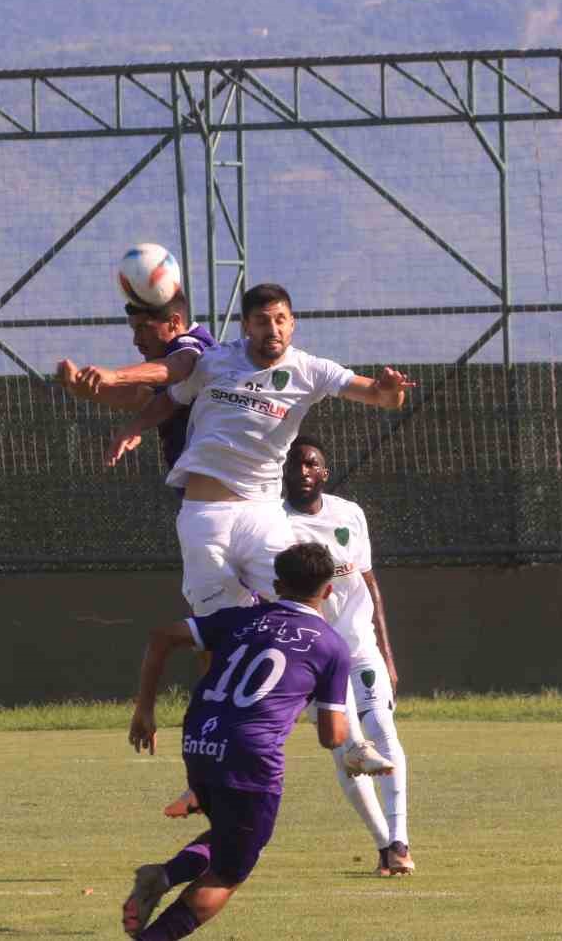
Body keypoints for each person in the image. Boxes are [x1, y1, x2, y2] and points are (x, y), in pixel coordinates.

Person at [63, 283, 413, 812]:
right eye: (260, 321)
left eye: (280, 320)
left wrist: (391, 389)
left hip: (260, 516)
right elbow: (168, 397)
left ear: (292, 324)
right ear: (244, 326)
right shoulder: (214, 361)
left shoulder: (311, 370)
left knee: (311, 613)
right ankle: (201, 780)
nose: (271, 330)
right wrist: (132, 428)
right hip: (203, 522)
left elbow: (381, 397)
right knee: (219, 654)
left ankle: (348, 739)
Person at [122, 542, 353, 940]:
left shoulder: (239, 618)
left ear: (276, 584)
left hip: (199, 741)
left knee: (230, 833)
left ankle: (163, 876)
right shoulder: (331, 644)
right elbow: (332, 737)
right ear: (328, 591)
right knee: (228, 873)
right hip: (251, 755)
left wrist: (145, 709)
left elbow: (162, 636)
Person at [284, 435, 414, 876]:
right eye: (293, 464)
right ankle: (383, 847)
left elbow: (369, 584)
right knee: (344, 750)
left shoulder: (349, 514)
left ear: (324, 472)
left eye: (311, 464)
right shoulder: (272, 523)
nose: (302, 471)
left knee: (382, 730)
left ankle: (401, 839)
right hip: (314, 658)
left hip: (360, 649)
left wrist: (387, 653)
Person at [55, 292, 216, 478]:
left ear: (174, 322)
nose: (136, 340)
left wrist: (115, 376)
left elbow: (181, 365)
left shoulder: (190, 344)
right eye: (134, 330)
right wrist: (86, 389)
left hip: (221, 488)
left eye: (143, 328)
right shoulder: (170, 357)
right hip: (203, 485)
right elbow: (138, 395)